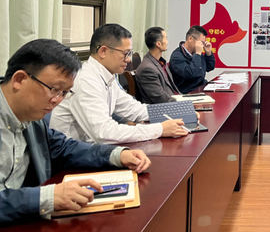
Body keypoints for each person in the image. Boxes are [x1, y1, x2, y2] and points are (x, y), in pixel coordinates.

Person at [0, 39, 151, 224]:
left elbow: (64, 147)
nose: (57, 100)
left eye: (64, 93)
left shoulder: (32, 116)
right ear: (19, 80)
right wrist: (46, 197)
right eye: (54, 89)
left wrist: (117, 155)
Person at [50, 24, 189, 144]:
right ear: (103, 51)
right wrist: (159, 129)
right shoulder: (86, 80)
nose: (129, 60)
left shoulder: (107, 76)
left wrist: (181, 111)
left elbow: (134, 109)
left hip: (94, 149)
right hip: (73, 157)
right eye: (126, 53)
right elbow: (103, 133)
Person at [136, 27, 181, 104]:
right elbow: (160, 99)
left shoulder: (160, 62)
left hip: (173, 103)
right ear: (158, 44)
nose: (167, 42)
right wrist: (185, 103)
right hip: (163, 108)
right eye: (166, 38)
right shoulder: (147, 69)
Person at [169, 25, 215, 93]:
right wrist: (197, 54)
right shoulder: (177, 56)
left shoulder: (195, 53)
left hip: (201, 87)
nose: (202, 46)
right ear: (190, 39)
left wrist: (208, 53)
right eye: (201, 43)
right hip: (189, 92)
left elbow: (210, 67)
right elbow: (191, 74)